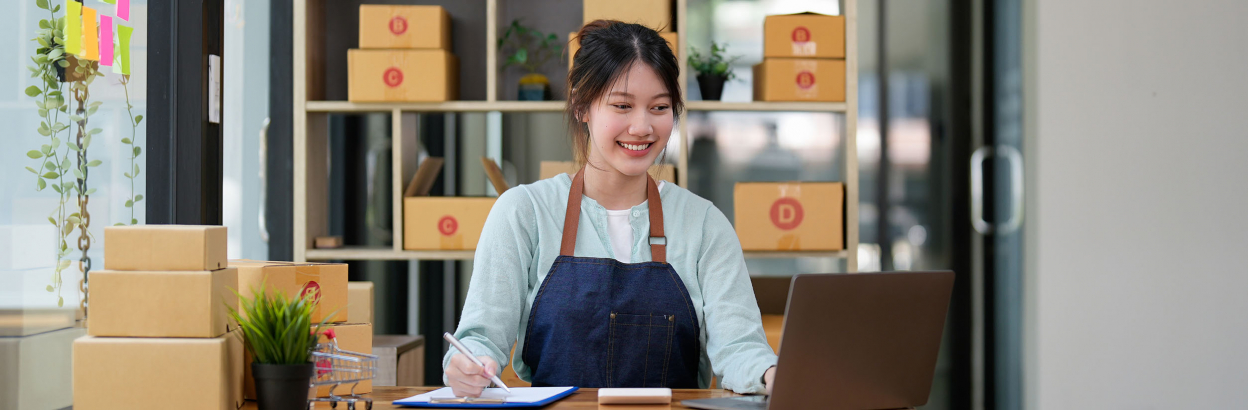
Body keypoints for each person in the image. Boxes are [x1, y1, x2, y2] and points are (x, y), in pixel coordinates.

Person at [443, 20, 777, 397]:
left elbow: (740, 347)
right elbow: (481, 338)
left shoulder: (704, 224)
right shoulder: (524, 212)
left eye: (659, 107)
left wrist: (769, 374)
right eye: (622, 105)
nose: (642, 126)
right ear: (582, 106)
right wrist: (468, 365)